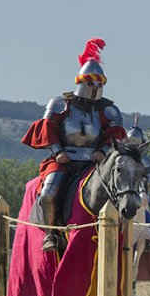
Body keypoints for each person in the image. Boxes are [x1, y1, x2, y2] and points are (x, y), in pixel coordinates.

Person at [21, 38, 127, 251]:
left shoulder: (108, 110)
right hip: (64, 159)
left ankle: (128, 236)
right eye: (91, 83)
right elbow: (47, 129)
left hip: (94, 163)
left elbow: (115, 135)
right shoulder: (61, 104)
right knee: (49, 192)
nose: (95, 87)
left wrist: (103, 151)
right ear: (81, 82)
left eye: (99, 83)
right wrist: (57, 151)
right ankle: (51, 234)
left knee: (127, 188)